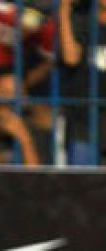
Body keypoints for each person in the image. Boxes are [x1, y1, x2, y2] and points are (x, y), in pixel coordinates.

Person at [58, 0, 106, 165]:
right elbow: (71, 57)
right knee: (82, 184)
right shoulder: (81, 18)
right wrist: (64, 9)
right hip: (83, 116)